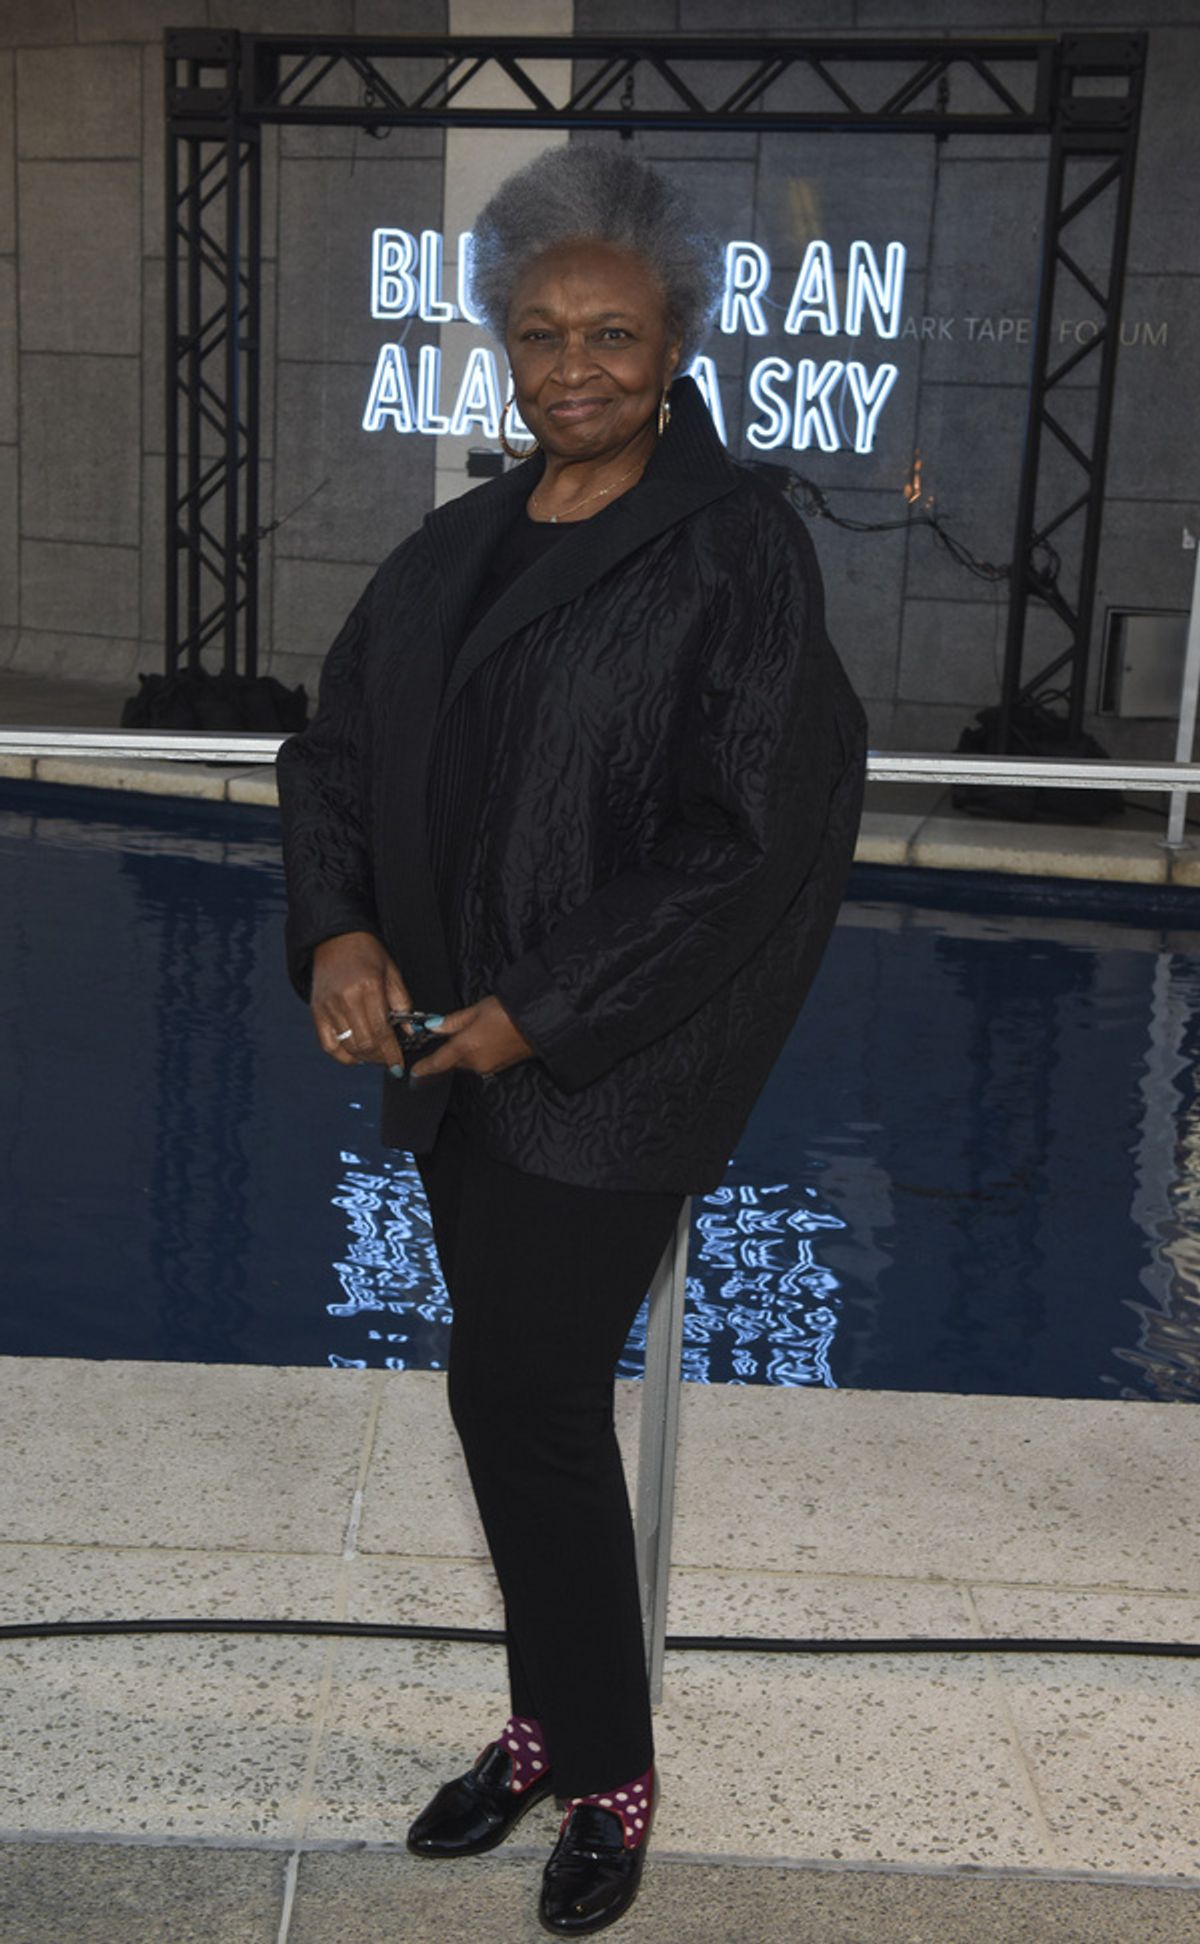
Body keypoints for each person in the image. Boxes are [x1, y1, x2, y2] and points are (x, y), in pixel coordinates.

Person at [277, 143, 866, 1937]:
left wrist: (538, 1014)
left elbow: (747, 842)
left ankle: (603, 1764)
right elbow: (334, 759)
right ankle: (550, 1724)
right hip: (458, 1065)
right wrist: (342, 928)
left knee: (520, 1399)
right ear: (501, 349)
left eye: (609, 330)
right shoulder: (453, 543)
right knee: (510, 1403)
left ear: (675, 336)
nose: (572, 365)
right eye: (538, 334)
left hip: (607, 1074)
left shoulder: (732, 551)